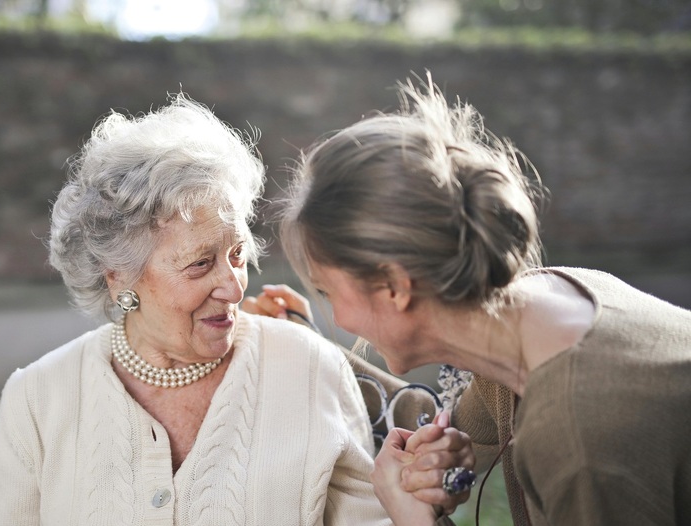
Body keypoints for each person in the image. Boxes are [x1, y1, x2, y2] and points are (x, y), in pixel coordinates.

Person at [0, 94, 473, 525]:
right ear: (119, 277)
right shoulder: (37, 399)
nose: (234, 287)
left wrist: (415, 495)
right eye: (200, 264)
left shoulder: (308, 367)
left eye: (237, 255)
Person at [271, 74, 691, 525]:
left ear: (394, 285)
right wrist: (302, 345)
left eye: (327, 292)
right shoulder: (548, 306)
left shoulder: (578, 441)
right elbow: (442, 419)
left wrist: (415, 518)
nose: (337, 316)